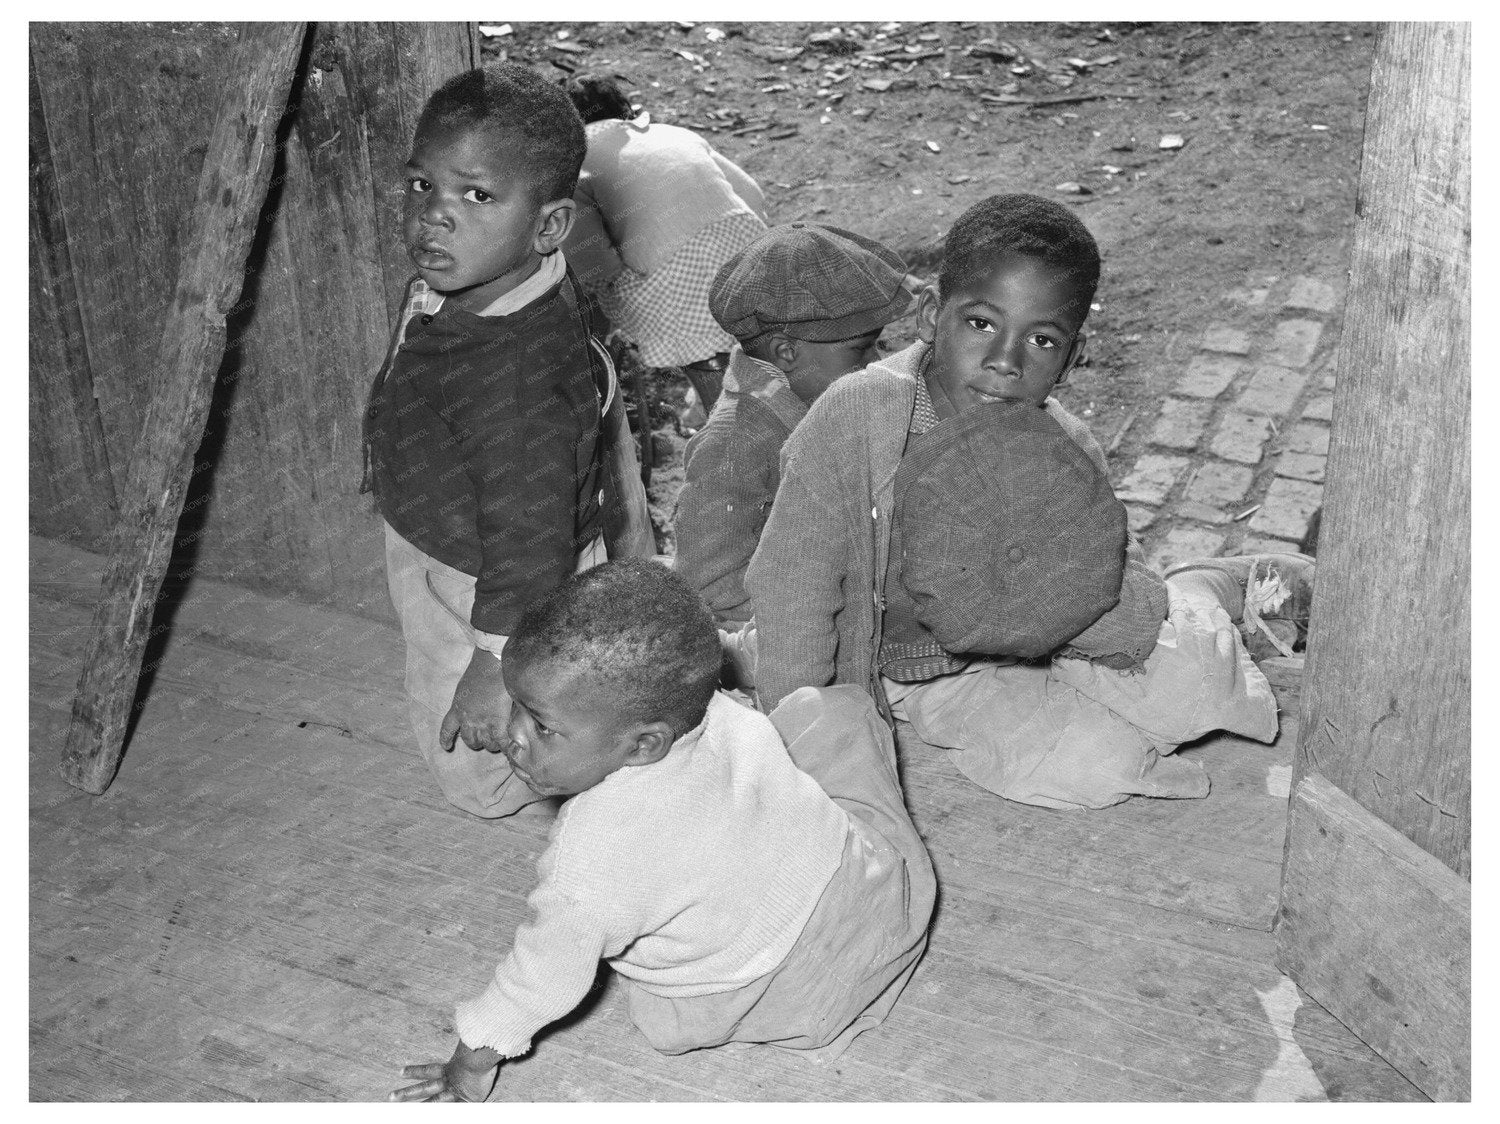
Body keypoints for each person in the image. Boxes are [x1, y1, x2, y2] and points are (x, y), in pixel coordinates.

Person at [745, 193, 1316, 811]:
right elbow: (792, 584)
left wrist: (1134, 644)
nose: (1005, 362)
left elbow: (1097, 578)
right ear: (931, 316)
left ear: (1072, 358)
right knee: (1098, 768)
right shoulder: (855, 418)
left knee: (1203, 693)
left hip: (1055, 642)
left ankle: (1203, 591)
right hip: (906, 675)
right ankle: (1189, 632)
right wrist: (799, 734)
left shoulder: (1065, 446)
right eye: (981, 324)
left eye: (1042, 340)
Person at [388, 560, 936, 1102]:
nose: (513, 737)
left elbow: (540, 979)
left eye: (542, 725)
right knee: (835, 712)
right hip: (880, 898)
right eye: (519, 707)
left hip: (786, 995)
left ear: (645, 744)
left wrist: (469, 1063)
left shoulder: (594, 859)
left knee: (657, 1009)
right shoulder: (695, 705)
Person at [363, 63, 624, 820]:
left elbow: (530, 540)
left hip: (488, 576)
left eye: (477, 195)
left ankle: (587, 792)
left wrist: (492, 660)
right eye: (422, 185)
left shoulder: (517, 383)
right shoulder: (487, 278)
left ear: (548, 225)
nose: (434, 217)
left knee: (478, 765)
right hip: (455, 529)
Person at [674, 222, 914, 627]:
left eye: (879, 343)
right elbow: (713, 587)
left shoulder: (813, 398)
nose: (875, 361)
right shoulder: (734, 444)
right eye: (860, 349)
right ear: (786, 352)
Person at [561, 74, 770, 414]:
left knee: (702, 354)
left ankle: (729, 420)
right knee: (749, 339)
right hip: (748, 246)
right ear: (623, 109)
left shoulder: (575, 163)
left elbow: (597, 265)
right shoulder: (673, 134)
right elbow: (752, 195)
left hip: (675, 282)